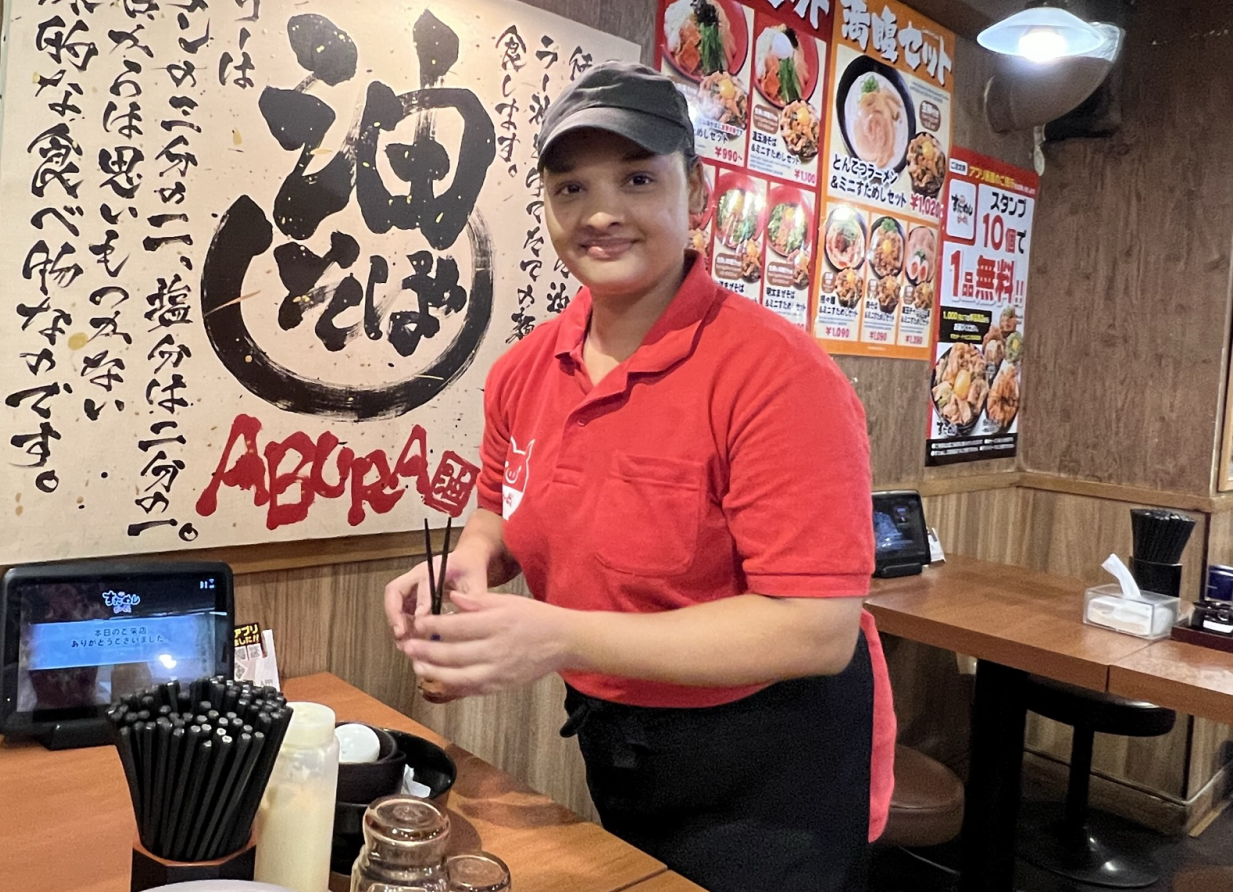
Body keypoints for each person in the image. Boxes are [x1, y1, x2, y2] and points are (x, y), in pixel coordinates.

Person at [383, 61, 894, 892]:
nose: (601, 212)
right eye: (571, 188)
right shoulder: (523, 370)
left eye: (637, 178)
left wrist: (558, 635)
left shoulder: (777, 373)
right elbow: (502, 508)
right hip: (617, 733)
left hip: (769, 757)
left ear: (698, 191)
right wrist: (469, 562)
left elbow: (815, 628)